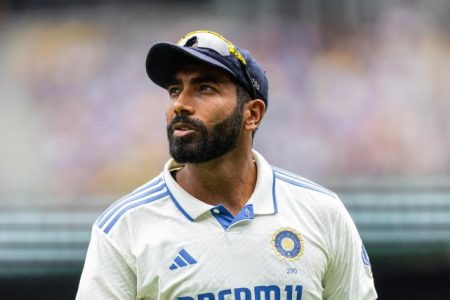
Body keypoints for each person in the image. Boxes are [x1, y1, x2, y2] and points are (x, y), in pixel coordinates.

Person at [76, 30, 377, 299]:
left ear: (252, 115)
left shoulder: (323, 212)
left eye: (204, 88)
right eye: (174, 90)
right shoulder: (122, 229)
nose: (180, 103)